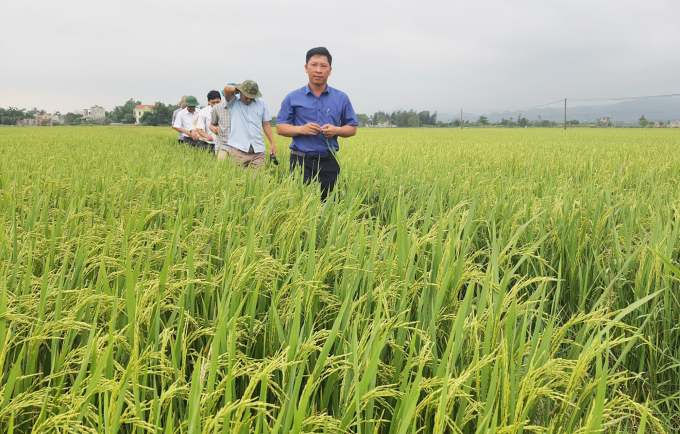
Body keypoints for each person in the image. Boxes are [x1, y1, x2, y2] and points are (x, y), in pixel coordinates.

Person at [276, 47, 358, 200]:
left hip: (329, 161)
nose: (318, 70)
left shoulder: (341, 98)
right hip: (301, 161)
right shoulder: (293, 97)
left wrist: (336, 130)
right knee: (301, 208)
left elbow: (352, 129)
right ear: (306, 68)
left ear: (330, 70)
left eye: (323, 66)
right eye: (314, 65)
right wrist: (302, 129)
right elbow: (280, 128)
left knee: (330, 206)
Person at [213, 80, 276, 170]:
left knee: (258, 180)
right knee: (237, 180)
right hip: (238, 150)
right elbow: (227, 88)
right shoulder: (233, 101)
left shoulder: (261, 103)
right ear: (241, 92)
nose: (249, 100)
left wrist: (272, 143)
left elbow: (266, 124)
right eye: (247, 96)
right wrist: (241, 89)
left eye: (252, 97)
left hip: (257, 150)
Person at [209, 83, 237, 161]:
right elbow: (212, 124)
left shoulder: (243, 109)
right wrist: (213, 128)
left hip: (238, 146)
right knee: (221, 169)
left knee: (236, 170)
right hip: (222, 145)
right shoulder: (217, 108)